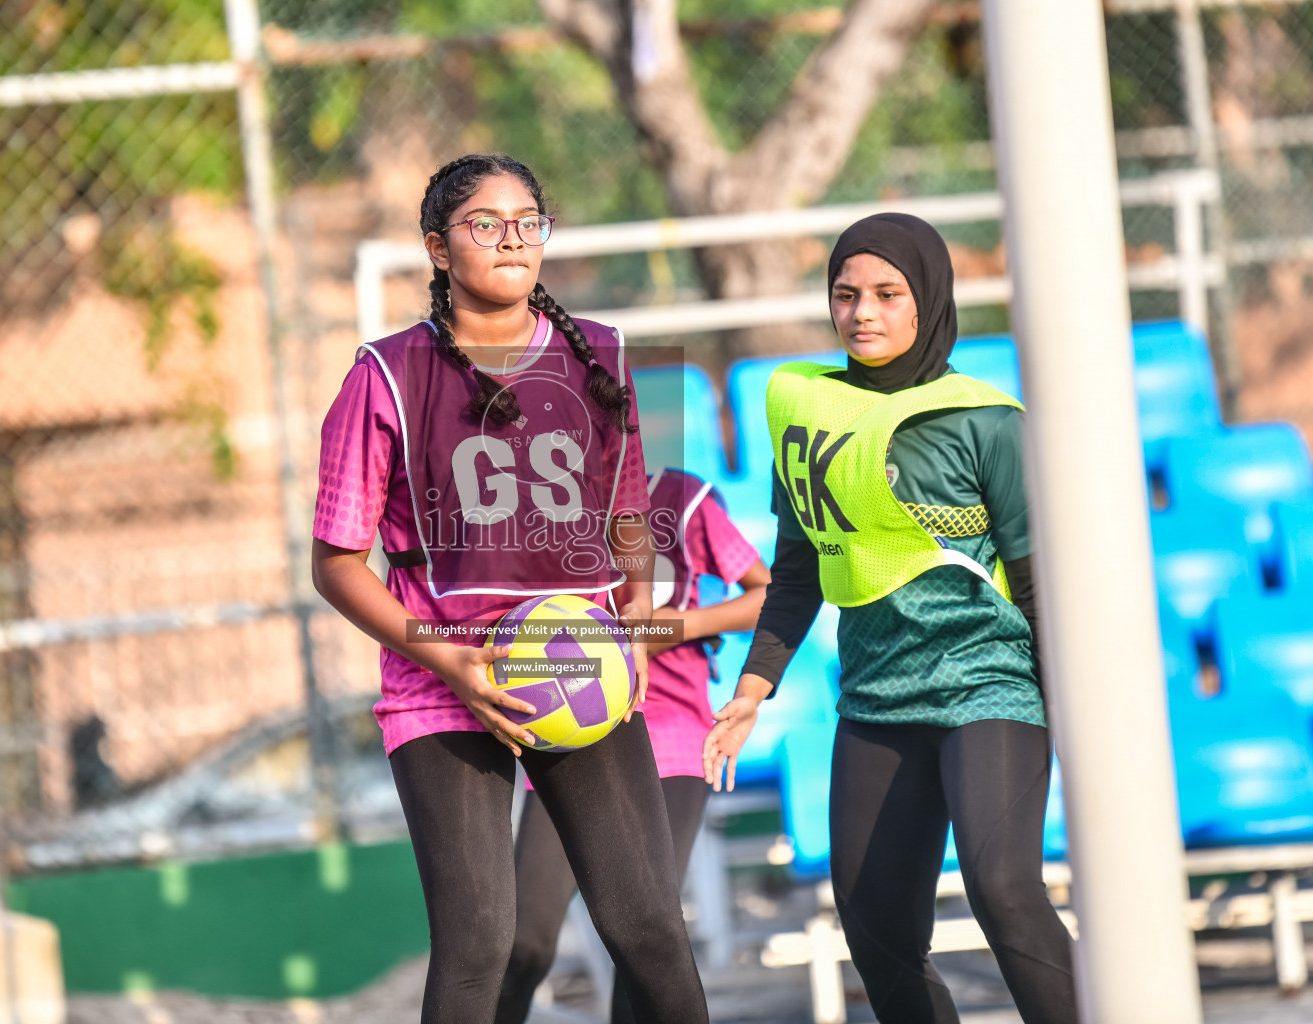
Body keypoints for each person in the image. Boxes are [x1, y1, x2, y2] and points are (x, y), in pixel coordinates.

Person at [311, 153, 709, 1024]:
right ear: (437, 248)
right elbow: (336, 561)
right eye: (485, 224)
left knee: (646, 925)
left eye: (528, 220)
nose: (512, 239)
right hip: (442, 682)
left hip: (579, 663)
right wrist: (450, 662)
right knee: (481, 947)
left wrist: (633, 623)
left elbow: (629, 508)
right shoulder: (383, 377)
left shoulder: (597, 353)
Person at [702, 213, 1079, 1024]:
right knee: (875, 929)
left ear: (927, 300)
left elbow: (1039, 582)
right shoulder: (807, 408)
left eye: (885, 294)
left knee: (1005, 890)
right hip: (876, 699)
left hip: (989, 686)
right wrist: (753, 687)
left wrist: (1067, 713)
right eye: (845, 295)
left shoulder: (986, 420)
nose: (862, 312)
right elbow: (798, 568)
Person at [496, 469, 769, 1024]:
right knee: (523, 943)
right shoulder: (545, 501)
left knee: (645, 943)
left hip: (670, 733)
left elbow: (768, 597)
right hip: (571, 734)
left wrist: (683, 625)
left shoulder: (683, 499)